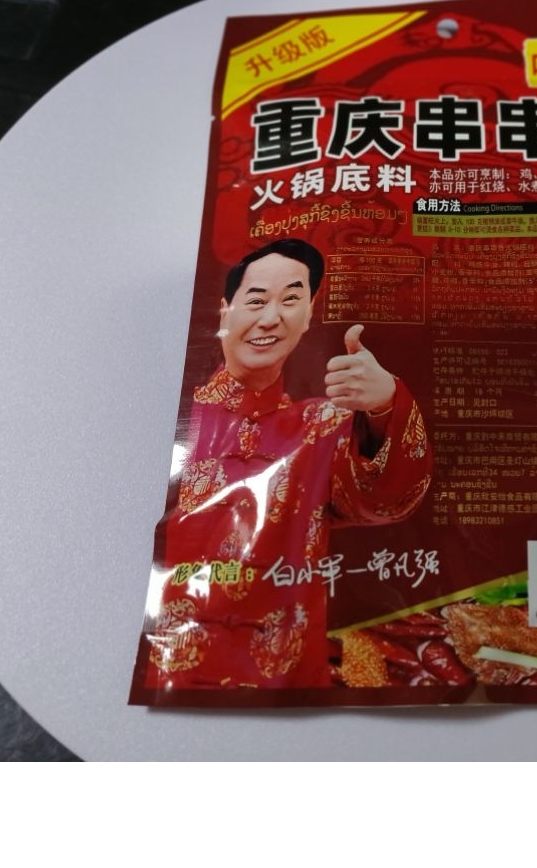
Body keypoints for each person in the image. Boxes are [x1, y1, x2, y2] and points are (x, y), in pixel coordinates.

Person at [141, 239, 432, 691]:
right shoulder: (175, 418)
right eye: (256, 300)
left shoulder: (322, 425)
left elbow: (388, 501)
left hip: (286, 682)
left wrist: (385, 404)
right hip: (162, 672)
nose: (271, 318)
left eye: (290, 300)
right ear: (225, 312)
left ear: (309, 314)